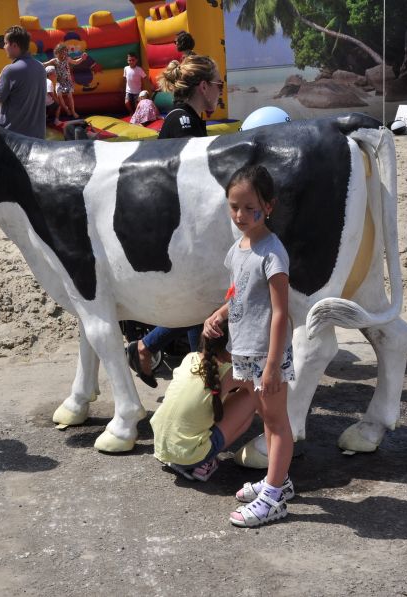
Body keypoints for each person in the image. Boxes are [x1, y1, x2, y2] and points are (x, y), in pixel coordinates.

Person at [203, 164, 296, 528]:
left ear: (268, 207)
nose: (240, 215)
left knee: (276, 422)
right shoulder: (239, 249)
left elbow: (279, 312)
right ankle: (279, 481)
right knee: (266, 417)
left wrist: (272, 365)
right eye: (233, 206)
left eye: (248, 207)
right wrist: (220, 315)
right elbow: (240, 293)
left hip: (265, 353)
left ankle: (272, 496)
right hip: (245, 349)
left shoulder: (272, 254)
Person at [125, 55, 224, 387]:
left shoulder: (190, 119)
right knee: (199, 300)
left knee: (199, 300)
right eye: (219, 85)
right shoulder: (182, 123)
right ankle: (199, 378)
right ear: (204, 86)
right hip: (178, 229)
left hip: (187, 225)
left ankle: (149, 348)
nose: (221, 92)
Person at [150, 323, 258, 482]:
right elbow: (261, 389)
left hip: (162, 446)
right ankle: (199, 463)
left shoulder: (189, 357)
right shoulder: (231, 372)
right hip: (189, 456)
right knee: (252, 396)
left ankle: (185, 456)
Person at [0, 26, 47, 139]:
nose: (4, 47)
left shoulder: (10, 70)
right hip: (38, 137)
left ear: (14, 45)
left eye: (6, 43)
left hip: (14, 138)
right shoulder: (40, 67)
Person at [42, 42, 88, 120]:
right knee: (59, 96)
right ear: (57, 53)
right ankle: (66, 109)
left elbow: (75, 62)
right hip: (59, 81)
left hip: (67, 81)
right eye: (62, 52)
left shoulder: (67, 59)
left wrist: (82, 59)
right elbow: (45, 64)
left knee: (70, 96)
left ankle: (73, 111)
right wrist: (37, 64)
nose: (64, 54)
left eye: (65, 52)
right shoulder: (54, 61)